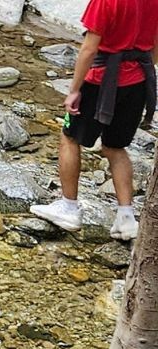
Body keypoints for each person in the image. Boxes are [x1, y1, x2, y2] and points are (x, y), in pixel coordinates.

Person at [29, 0, 158, 240]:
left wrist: (74, 90)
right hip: (137, 82)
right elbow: (155, 46)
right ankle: (126, 218)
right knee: (115, 148)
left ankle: (68, 208)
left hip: (101, 81)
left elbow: (89, 49)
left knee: (69, 138)